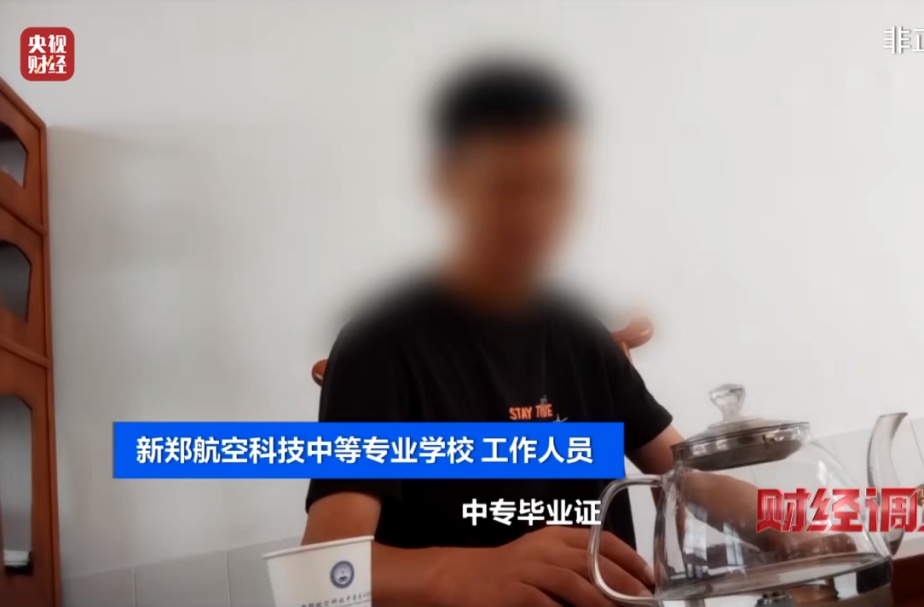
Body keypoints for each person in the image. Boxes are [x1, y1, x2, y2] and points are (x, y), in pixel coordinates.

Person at [301, 58, 827, 607]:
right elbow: (323, 570)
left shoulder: (576, 333)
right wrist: (468, 572)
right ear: (448, 184)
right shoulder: (380, 345)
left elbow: (686, 478)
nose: (533, 216)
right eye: (506, 187)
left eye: (553, 186)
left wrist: (794, 526)